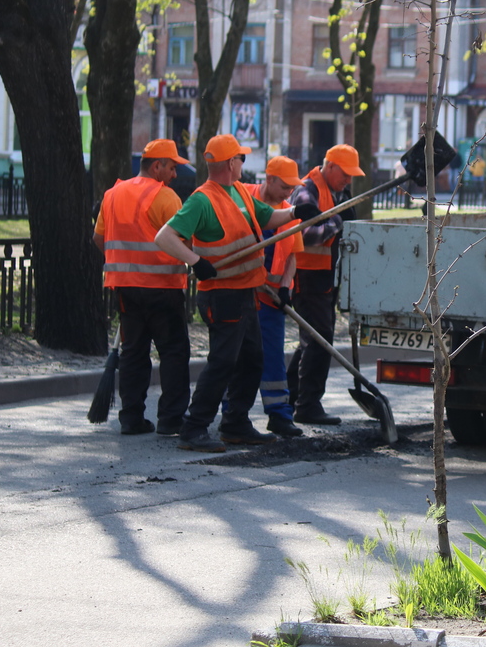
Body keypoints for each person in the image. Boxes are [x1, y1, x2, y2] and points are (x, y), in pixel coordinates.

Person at [154, 135, 320, 453]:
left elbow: (268, 217)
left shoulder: (239, 192)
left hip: (245, 292)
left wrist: (297, 211)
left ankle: (235, 423)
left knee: (251, 360)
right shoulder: (202, 199)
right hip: (221, 295)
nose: (244, 163)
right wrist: (195, 262)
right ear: (231, 163)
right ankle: (194, 427)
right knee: (223, 363)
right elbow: (165, 237)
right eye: (241, 158)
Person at [93, 139, 192, 436]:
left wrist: (124, 263)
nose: (175, 174)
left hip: (125, 289)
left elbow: (99, 239)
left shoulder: (112, 194)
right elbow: (184, 242)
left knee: (134, 353)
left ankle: (131, 419)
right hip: (163, 287)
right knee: (173, 351)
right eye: (172, 167)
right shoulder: (166, 197)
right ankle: (171, 418)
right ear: (157, 165)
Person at [287, 144, 362, 427]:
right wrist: (339, 221)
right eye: (345, 174)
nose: (349, 180)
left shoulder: (336, 192)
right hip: (306, 277)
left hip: (324, 278)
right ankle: (307, 405)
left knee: (312, 340)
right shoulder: (308, 190)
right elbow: (307, 235)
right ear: (330, 166)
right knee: (320, 340)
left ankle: (291, 397)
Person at [242, 156, 305, 438]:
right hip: (244, 294)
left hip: (271, 300)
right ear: (269, 179)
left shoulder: (290, 213)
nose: (289, 193)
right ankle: (234, 414)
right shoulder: (244, 199)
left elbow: (292, 254)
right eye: (284, 186)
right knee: (239, 357)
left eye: (293, 187)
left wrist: (285, 287)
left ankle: (279, 415)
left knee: (274, 359)